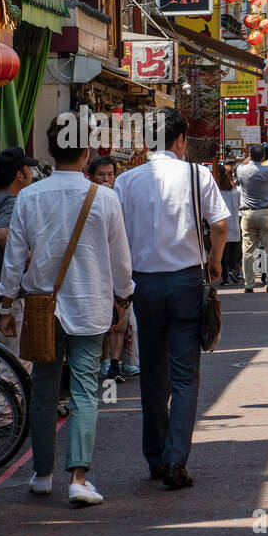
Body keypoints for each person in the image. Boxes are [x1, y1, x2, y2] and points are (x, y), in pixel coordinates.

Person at [0, 116, 134, 506]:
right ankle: (78, 477)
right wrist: (123, 297)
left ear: (50, 153)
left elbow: (14, 256)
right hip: (91, 305)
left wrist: (6, 302)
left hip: (42, 307)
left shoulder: (29, 196)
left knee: (43, 389)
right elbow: (121, 261)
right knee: (85, 390)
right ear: (87, 153)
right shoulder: (105, 198)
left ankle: (42, 474)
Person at [115, 108, 229, 490]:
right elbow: (220, 225)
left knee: (152, 374)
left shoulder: (126, 181)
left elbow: (117, 239)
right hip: (186, 282)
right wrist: (213, 260)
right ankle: (176, 459)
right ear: (180, 140)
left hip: (143, 285)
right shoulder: (198, 174)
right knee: (184, 377)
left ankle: (156, 457)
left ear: (147, 141)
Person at [0, 146, 38, 353]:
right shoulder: (12, 202)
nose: (32, 175)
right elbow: (1, 233)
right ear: (19, 175)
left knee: (4, 363)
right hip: (7, 299)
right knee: (14, 367)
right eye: (28, 170)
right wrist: (28, 258)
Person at [88, 156, 140, 382]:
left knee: (120, 318)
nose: (106, 179)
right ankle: (105, 360)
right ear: (90, 176)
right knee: (105, 321)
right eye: (101, 175)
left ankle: (115, 364)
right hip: (94, 269)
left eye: (110, 174)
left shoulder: (117, 198)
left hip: (116, 267)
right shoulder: (86, 198)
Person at [235, 143, 268, 293]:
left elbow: (244, 162)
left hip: (247, 213)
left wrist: (252, 154)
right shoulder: (267, 171)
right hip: (265, 212)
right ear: (263, 157)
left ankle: (249, 284)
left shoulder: (241, 170)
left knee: (248, 251)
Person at [214, 161, 243, 285]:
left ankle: (225, 278)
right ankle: (233, 270)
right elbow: (240, 206)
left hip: (221, 223)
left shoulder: (216, 190)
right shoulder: (236, 191)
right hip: (234, 223)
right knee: (234, 250)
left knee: (223, 253)